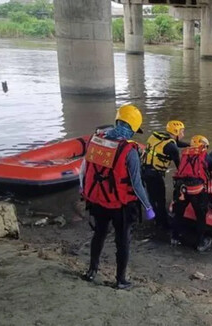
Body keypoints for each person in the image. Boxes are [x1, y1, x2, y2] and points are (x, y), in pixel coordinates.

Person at [80, 104, 153, 289]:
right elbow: (136, 185)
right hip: (120, 205)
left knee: (99, 234)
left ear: (117, 120)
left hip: (97, 200)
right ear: (133, 128)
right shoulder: (130, 151)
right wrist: (148, 207)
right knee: (122, 242)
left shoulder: (96, 140)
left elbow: (83, 170)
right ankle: (120, 280)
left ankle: (91, 271)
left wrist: (84, 192)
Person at [142, 120, 188, 228]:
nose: (183, 134)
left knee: (152, 197)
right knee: (160, 199)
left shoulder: (157, 137)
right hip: (155, 174)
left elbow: (175, 143)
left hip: (145, 171)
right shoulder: (172, 148)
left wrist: (190, 145)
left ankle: (155, 217)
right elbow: (180, 167)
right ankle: (162, 223)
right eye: (182, 132)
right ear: (176, 132)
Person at [172, 135, 212, 252]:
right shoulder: (204, 155)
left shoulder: (185, 153)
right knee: (201, 216)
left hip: (181, 188)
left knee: (178, 213)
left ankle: (175, 237)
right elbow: (211, 166)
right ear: (203, 145)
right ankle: (200, 242)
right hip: (196, 189)